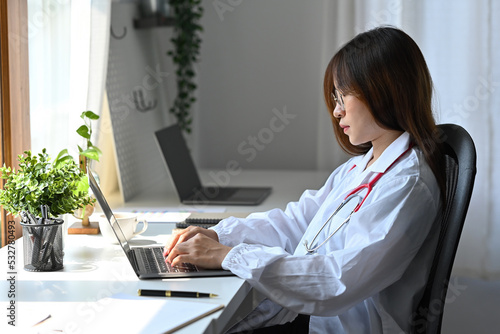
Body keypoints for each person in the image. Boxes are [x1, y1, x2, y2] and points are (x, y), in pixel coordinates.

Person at [164, 26, 446, 333]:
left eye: (343, 95)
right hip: (305, 318)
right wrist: (220, 237)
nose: (337, 111)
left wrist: (232, 256)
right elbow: (295, 223)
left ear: (383, 91)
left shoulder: (405, 185)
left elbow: (335, 283)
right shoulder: (360, 168)